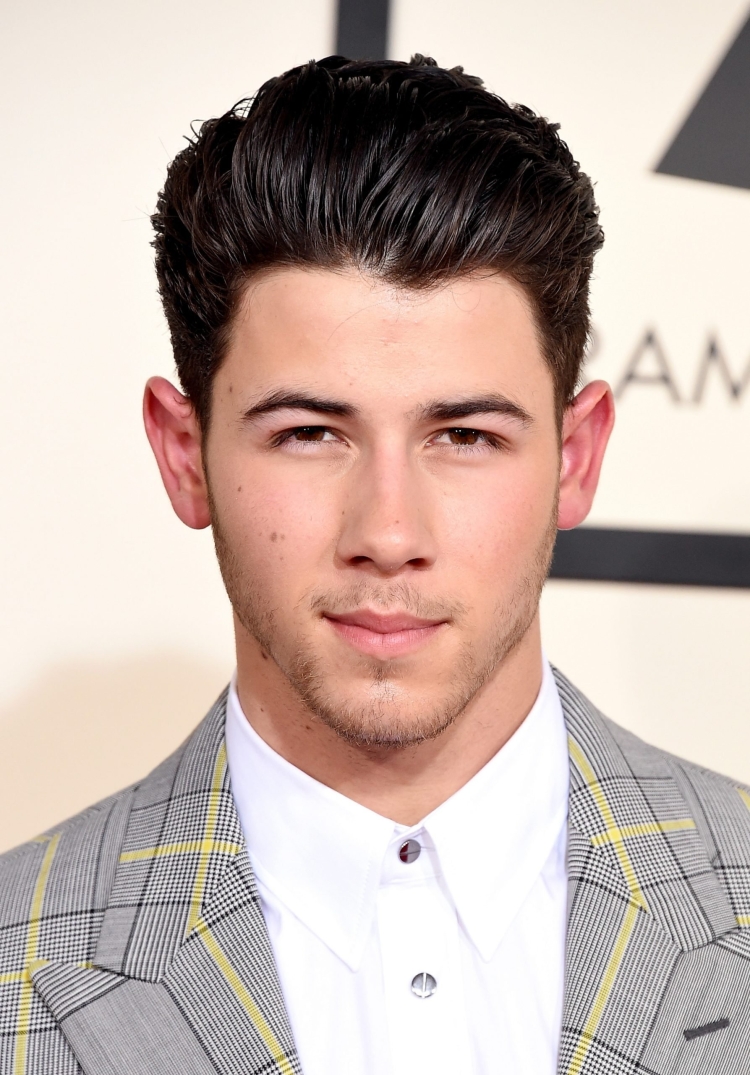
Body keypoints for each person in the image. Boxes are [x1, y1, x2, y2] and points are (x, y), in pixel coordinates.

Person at [1, 55, 749, 1075]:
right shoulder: (18, 959)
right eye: (310, 433)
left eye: (466, 436)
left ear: (576, 460)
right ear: (185, 456)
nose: (389, 531)